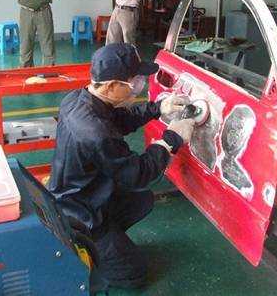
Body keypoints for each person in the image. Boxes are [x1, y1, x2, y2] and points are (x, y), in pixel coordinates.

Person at [48, 43, 195, 290]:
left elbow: (119, 120)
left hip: (79, 193)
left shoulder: (78, 99)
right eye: (133, 81)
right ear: (110, 86)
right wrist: (171, 139)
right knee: (134, 274)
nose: (139, 85)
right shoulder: (96, 133)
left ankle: (109, 241)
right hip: (82, 215)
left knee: (141, 199)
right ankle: (88, 249)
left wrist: (158, 108)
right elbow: (137, 173)